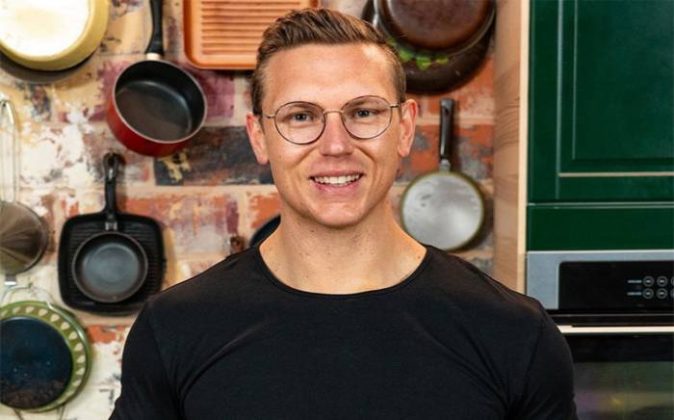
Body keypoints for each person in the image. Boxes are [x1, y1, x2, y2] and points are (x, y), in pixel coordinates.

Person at [111, 8, 576, 420]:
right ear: (258, 137)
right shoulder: (175, 329)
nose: (335, 145)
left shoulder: (514, 333)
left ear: (404, 127)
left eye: (364, 113)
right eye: (300, 116)